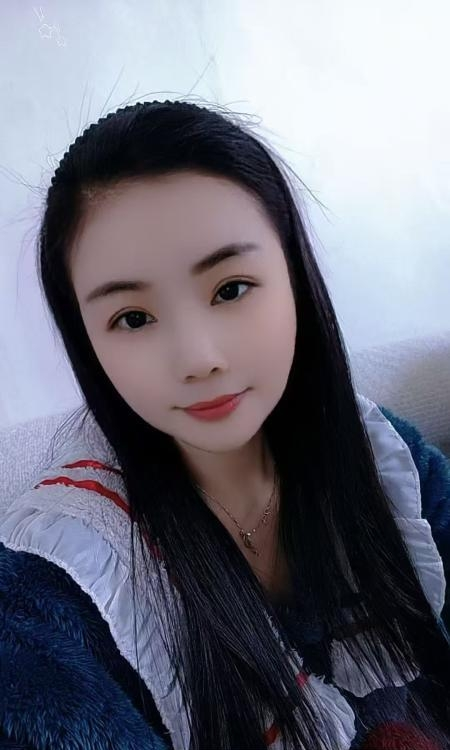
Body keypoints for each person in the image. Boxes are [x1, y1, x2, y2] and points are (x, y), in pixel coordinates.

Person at [0, 99, 449, 750]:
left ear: (293, 275)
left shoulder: (384, 458)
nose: (198, 358)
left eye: (231, 288)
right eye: (133, 318)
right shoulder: (63, 585)